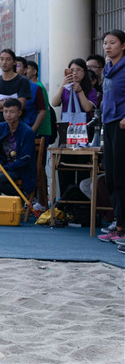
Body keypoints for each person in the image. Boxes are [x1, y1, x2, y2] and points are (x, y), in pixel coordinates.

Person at [97, 30, 125, 245]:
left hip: (121, 124)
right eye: (105, 43)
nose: (107, 46)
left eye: (112, 43)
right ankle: (119, 224)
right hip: (108, 123)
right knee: (111, 177)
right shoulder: (107, 69)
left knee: (122, 176)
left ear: (123, 46)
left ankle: (123, 228)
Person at [50, 58, 98, 142]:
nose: (75, 73)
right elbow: (54, 103)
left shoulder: (91, 90)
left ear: (84, 72)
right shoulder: (65, 89)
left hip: (84, 128)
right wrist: (62, 85)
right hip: (67, 127)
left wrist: (80, 91)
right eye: (72, 70)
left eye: (78, 70)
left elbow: (87, 108)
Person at [0, 49, 31, 132]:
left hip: (18, 124)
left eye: (8, 59)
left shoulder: (22, 81)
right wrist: (6, 103)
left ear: (14, 62)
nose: (4, 62)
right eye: (1, 59)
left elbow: (21, 104)